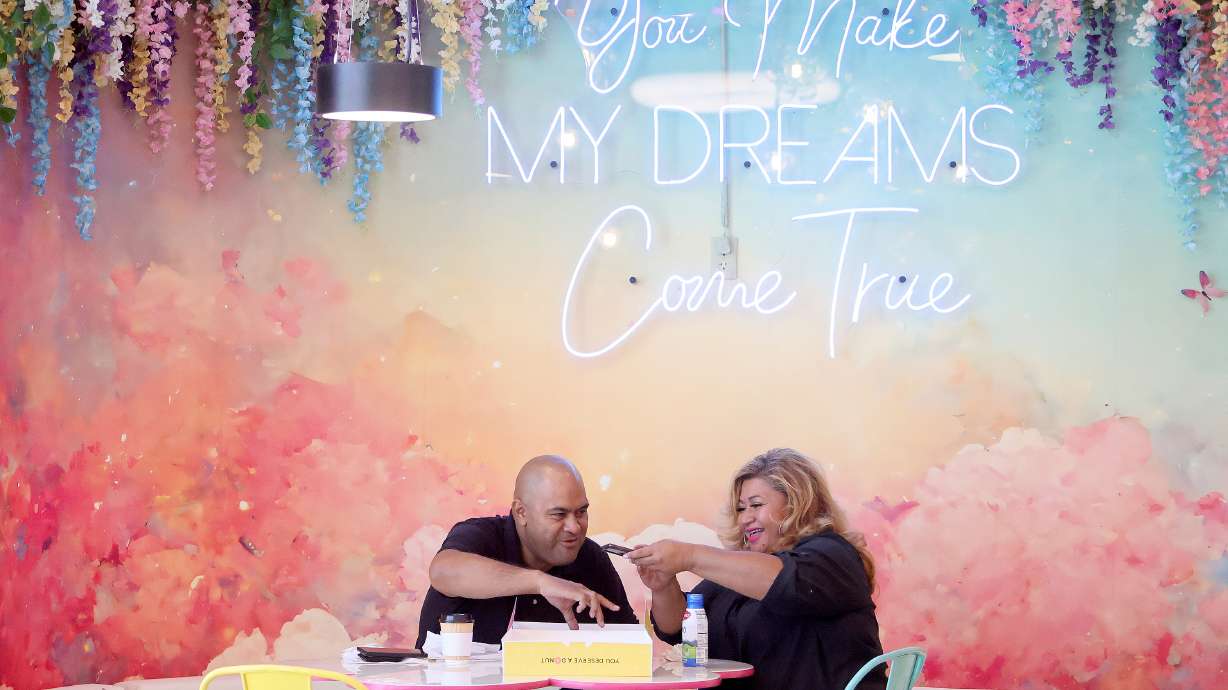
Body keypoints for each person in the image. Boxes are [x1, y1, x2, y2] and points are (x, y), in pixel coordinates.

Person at [628, 448, 886, 690]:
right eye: (741, 508)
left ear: (797, 503)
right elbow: (682, 629)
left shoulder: (834, 556)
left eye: (756, 505)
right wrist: (663, 586)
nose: (744, 518)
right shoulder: (741, 571)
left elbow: (787, 582)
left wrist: (689, 556)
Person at [416, 455, 638, 648]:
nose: (574, 527)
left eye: (581, 512)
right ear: (521, 512)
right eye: (558, 515)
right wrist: (540, 582)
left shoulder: (590, 557)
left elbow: (631, 644)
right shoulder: (480, 536)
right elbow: (442, 572)